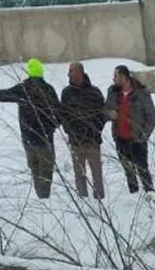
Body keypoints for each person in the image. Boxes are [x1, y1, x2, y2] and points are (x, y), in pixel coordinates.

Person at [0, 57, 62, 199]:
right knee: (46, 172)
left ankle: (41, 197)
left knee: (35, 171)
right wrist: (52, 127)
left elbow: (1, 94)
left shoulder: (23, 89)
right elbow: (59, 113)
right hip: (45, 140)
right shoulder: (48, 90)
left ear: (29, 72)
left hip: (28, 140)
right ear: (41, 72)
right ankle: (45, 197)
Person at [103, 65, 155, 195]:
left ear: (124, 77)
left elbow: (152, 117)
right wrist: (109, 114)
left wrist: (143, 135)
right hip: (121, 139)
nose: (113, 79)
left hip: (138, 140)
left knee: (142, 169)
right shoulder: (113, 92)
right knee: (129, 171)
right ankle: (134, 195)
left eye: (116, 76)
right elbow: (104, 112)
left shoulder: (141, 93)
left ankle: (150, 195)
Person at [59, 61, 107, 199]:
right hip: (75, 142)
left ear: (80, 72)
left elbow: (101, 115)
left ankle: (99, 201)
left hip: (93, 141)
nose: (68, 74)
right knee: (79, 174)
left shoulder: (94, 92)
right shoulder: (66, 93)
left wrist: (95, 129)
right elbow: (63, 115)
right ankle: (83, 201)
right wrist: (70, 131)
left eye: (71, 71)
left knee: (97, 173)